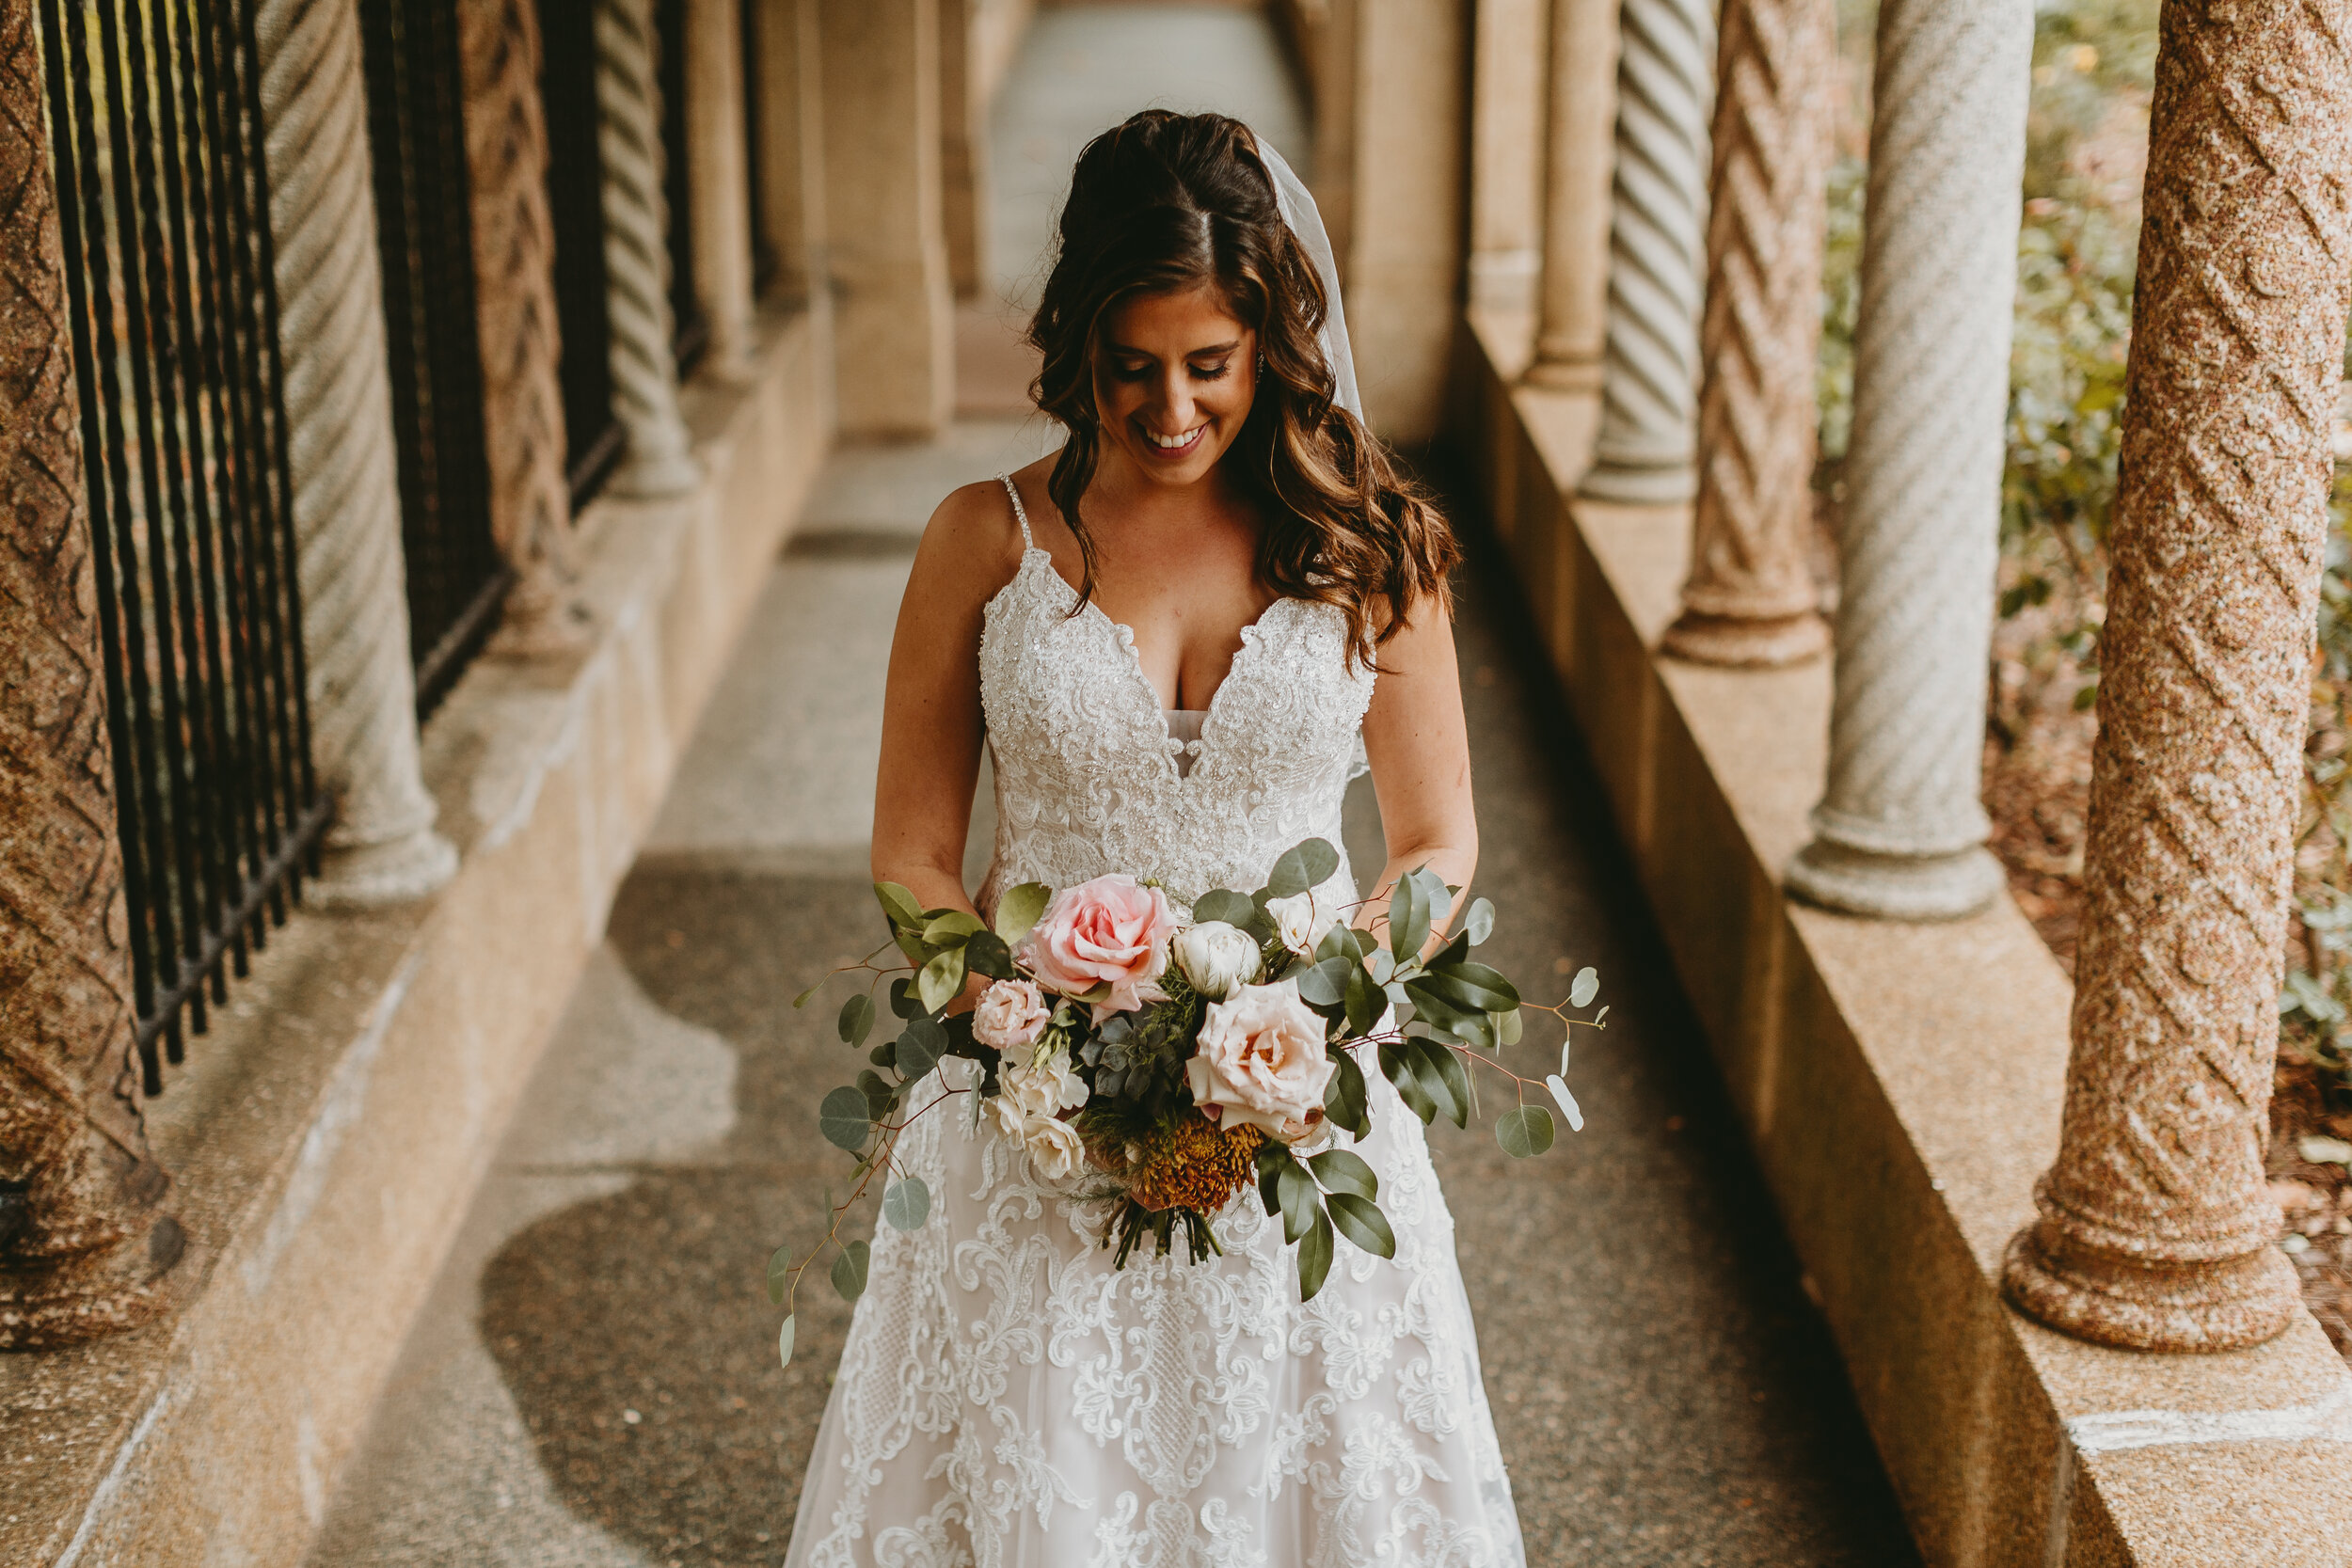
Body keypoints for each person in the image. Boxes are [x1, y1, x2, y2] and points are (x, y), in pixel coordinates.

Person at [785, 110, 1524, 1568]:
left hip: (1298, 1120)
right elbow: (914, 855)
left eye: (1210, 367)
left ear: (1275, 344)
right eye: (1134, 368)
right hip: (1033, 1122)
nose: (1171, 407)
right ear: (1080, 345)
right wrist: (1013, 1025)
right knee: (1046, 1476)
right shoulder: (980, 543)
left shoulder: (1374, 548)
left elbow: (1436, 838)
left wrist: (1307, 1023)